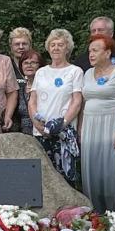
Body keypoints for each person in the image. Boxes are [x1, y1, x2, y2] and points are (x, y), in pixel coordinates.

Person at [80, 34, 115, 218]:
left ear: (107, 52)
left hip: (111, 126)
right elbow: (83, 103)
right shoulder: (87, 74)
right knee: (91, 174)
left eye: (95, 50)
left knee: (111, 174)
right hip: (90, 128)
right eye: (90, 51)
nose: (91, 54)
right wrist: (81, 131)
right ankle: (95, 219)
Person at [30, 29, 84, 180]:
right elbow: (32, 100)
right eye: (52, 44)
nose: (56, 48)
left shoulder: (75, 71)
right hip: (40, 132)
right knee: (43, 179)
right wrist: (36, 122)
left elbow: (77, 101)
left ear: (67, 48)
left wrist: (62, 123)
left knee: (65, 179)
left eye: (60, 44)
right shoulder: (40, 72)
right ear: (48, 48)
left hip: (63, 133)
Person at [10, 27, 40, 136]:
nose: (21, 47)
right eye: (17, 44)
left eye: (24, 44)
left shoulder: (39, 67)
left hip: (35, 121)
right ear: (11, 47)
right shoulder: (6, 66)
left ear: (30, 45)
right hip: (12, 121)